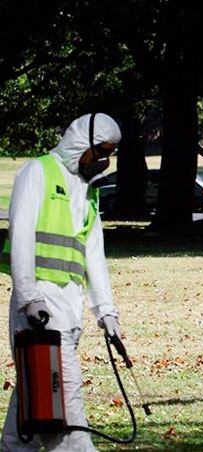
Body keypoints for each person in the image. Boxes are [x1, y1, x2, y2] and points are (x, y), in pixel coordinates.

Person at [0, 113, 123, 451]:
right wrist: (28, 298)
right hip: (39, 301)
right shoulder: (37, 172)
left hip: (70, 305)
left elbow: (93, 254)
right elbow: (20, 235)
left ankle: (12, 447)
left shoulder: (88, 192)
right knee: (63, 393)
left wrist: (106, 311)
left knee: (36, 387)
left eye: (108, 153)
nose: (103, 161)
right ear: (81, 143)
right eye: (99, 152)